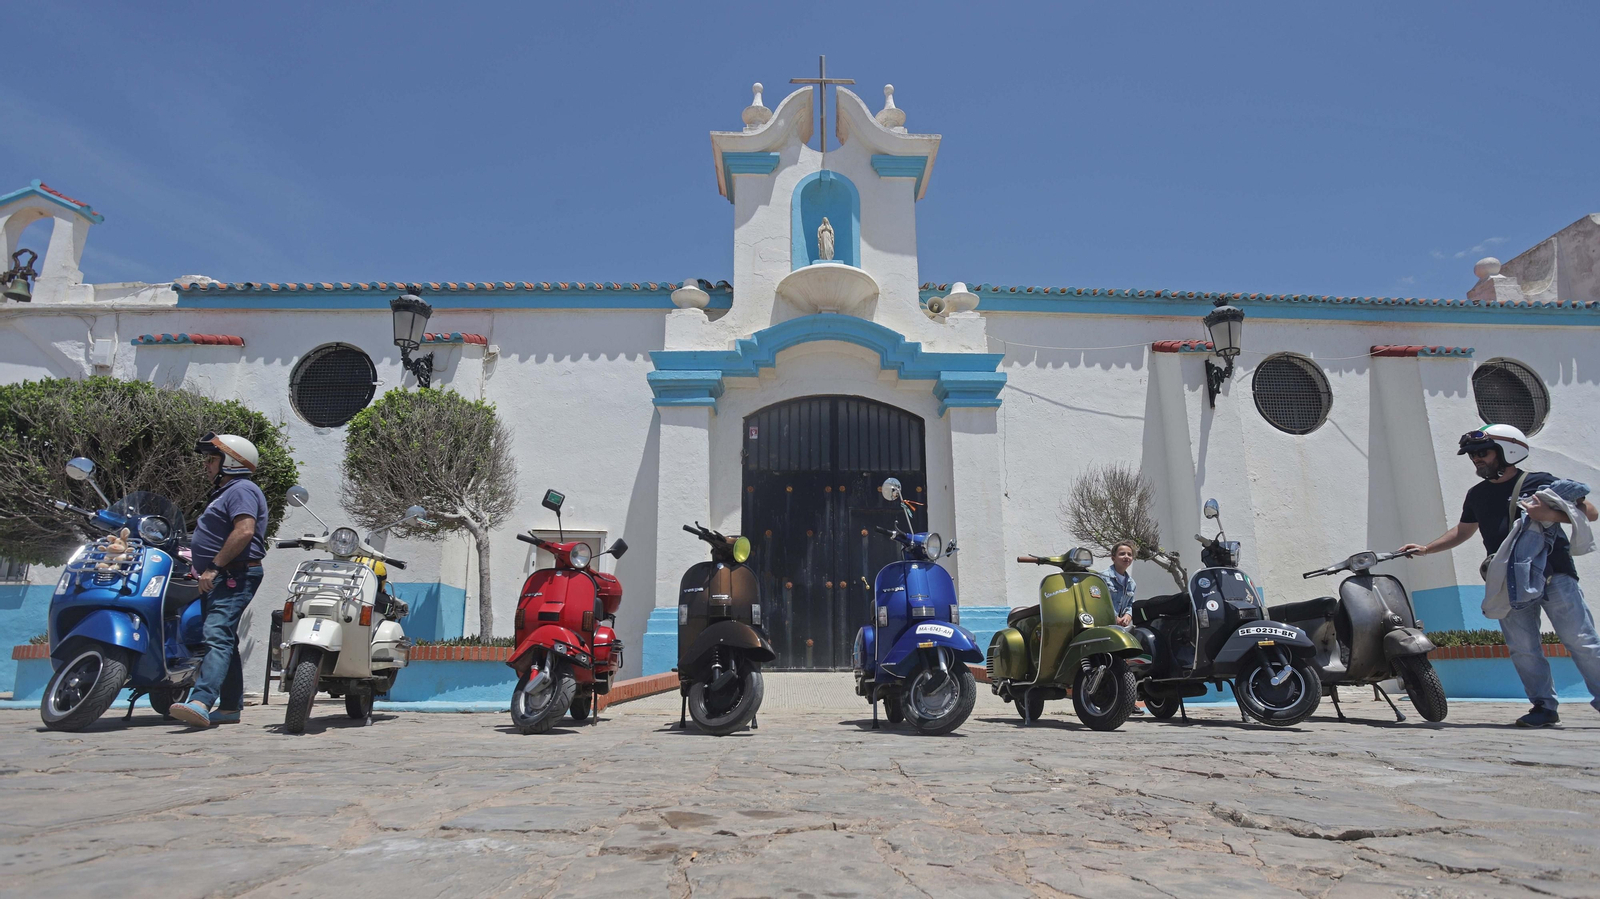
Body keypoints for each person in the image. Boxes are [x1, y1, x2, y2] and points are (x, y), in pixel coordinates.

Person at [1400, 424, 1600, 727]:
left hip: (1553, 574)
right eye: (1471, 455)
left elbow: (1590, 512)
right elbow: (1463, 531)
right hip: (1509, 581)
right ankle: (1544, 707)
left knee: (1581, 640)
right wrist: (1427, 549)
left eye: (1482, 452)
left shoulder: (1540, 482)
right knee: (1523, 647)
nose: (1477, 460)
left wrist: (1550, 515)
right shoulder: (1477, 494)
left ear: (1508, 451)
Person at [167, 433, 270, 728]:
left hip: (233, 573)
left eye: (212, 459)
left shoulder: (242, 489)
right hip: (225, 573)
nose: (206, 465)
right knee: (224, 637)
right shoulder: (226, 493)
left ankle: (201, 701)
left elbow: (244, 531)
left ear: (232, 462)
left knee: (216, 633)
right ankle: (228, 708)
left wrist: (213, 567)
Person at [1101, 540, 1137, 628]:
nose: (1126, 557)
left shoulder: (1131, 583)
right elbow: (1098, 602)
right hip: (1103, 625)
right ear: (1113, 558)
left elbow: (1131, 604)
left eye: (1129, 554)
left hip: (1120, 628)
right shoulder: (1102, 578)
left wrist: (1128, 615)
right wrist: (1114, 617)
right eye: (1122, 554)